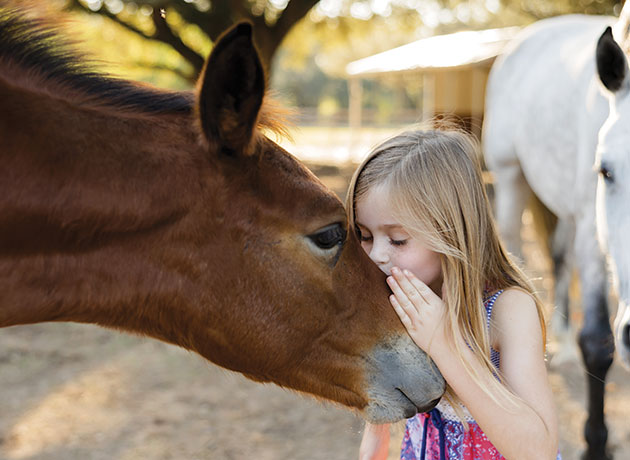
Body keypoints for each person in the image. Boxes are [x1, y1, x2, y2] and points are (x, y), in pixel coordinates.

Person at [347, 128, 560, 460]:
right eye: (364, 235)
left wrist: (444, 344)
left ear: (452, 232)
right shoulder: (399, 300)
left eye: (398, 239)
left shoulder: (507, 310)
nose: (376, 255)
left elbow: (538, 451)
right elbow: (380, 420)